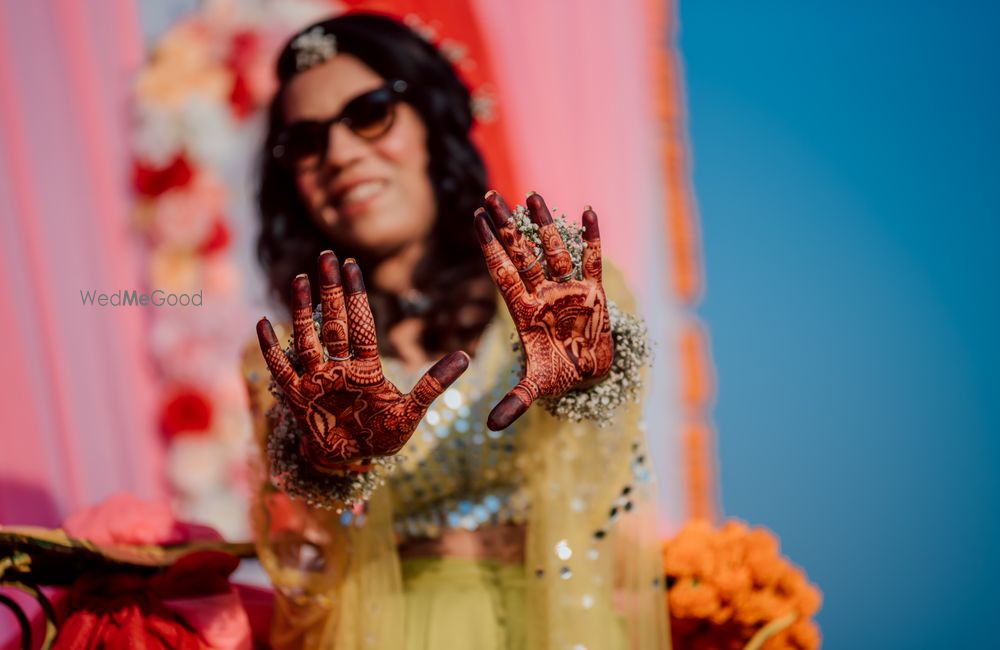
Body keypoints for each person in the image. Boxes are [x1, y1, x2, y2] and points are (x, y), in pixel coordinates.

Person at [242, 12, 669, 649]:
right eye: (305, 141)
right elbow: (303, 554)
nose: (340, 153)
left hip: (563, 623)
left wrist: (589, 378)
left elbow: (615, 469)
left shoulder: (555, 295)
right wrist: (329, 463)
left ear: (432, 122)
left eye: (369, 113)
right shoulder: (295, 359)